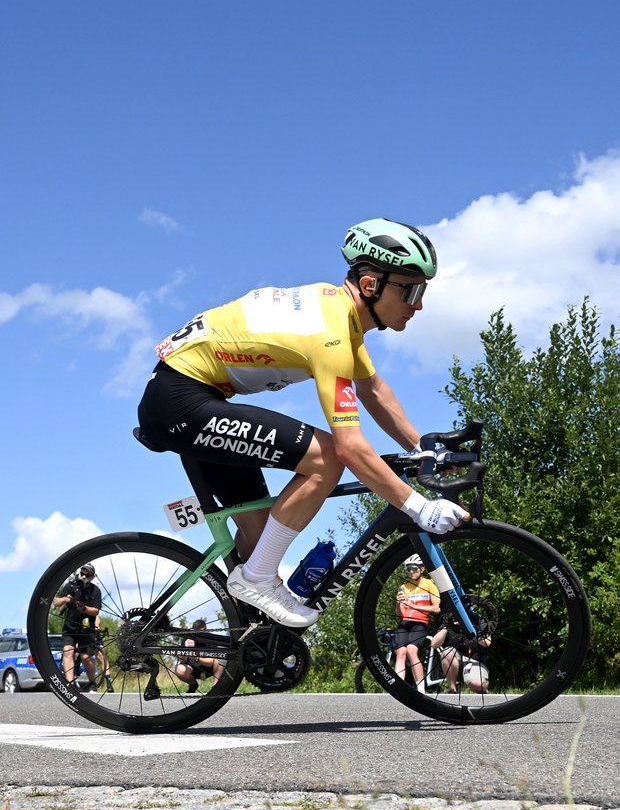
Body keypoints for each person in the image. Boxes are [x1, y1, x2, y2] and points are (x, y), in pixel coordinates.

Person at [137, 218, 470, 628]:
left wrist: (423, 448)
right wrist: (419, 508)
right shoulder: (329, 331)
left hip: (193, 398)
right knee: (327, 456)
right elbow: (349, 447)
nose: (418, 304)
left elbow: (374, 391)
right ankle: (255, 580)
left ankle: (246, 637)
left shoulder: (339, 317)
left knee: (259, 542)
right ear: (370, 285)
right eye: (411, 290)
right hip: (181, 402)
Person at [394, 555, 440, 692]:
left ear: (422, 569)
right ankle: (398, 688)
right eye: (408, 569)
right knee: (400, 652)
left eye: (414, 568)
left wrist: (415, 607)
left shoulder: (429, 584)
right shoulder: (404, 587)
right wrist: (398, 603)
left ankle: (421, 689)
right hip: (405, 622)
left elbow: (437, 608)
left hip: (420, 623)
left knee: (411, 650)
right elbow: (399, 614)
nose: (411, 572)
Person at [53, 563, 101, 691]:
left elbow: (96, 611)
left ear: (92, 577)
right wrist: (65, 600)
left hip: (86, 629)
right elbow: (56, 602)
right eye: (82, 573)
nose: (84, 576)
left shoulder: (95, 590)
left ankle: (92, 683)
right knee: (68, 651)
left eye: (88, 574)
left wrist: (83, 607)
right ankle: (70, 683)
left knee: (86, 657)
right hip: (70, 627)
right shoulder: (70, 586)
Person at [430, 614, 492, 694]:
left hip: (474, 662)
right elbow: (434, 644)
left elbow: (487, 643)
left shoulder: (478, 619)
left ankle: (483, 690)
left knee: (477, 685)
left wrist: (469, 628)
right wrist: (447, 627)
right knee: (447, 652)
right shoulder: (450, 619)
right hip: (455, 663)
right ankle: (453, 690)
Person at [174, 619, 224, 693]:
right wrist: (185, 651)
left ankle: (215, 688)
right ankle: (193, 684)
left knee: (220, 657)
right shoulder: (187, 639)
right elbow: (182, 661)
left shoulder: (210, 639)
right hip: (193, 670)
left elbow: (211, 662)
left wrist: (196, 658)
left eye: (202, 632)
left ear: (205, 629)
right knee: (179, 669)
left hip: (209, 669)